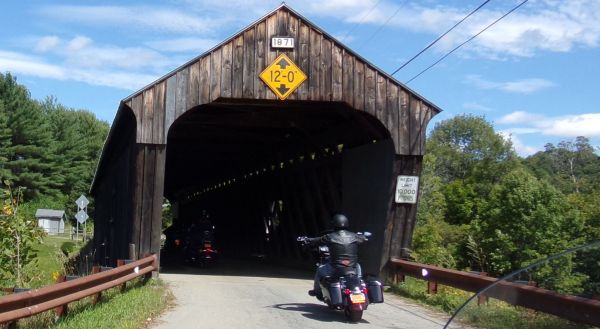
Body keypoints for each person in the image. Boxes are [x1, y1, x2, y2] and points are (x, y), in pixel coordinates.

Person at [303, 214, 366, 299]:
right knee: (358, 266)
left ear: (334, 224)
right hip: (352, 267)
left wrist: (307, 240)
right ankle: (359, 284)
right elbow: (363, 238)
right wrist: (364, 236)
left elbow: (317, 240)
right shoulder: (354, 236)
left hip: (336, 267)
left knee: (320, 269)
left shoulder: (330, 236)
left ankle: (317, 291)